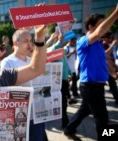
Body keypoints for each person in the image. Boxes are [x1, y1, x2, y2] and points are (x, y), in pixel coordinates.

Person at [64, 4, 118, 140]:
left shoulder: (99, 44)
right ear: (91, 27)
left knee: (84, 110)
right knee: (102, 118)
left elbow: (103, 60)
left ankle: (69, 129)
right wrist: (116, 13)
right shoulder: (83, 41)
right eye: (102, 24)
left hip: (96, 85)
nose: (106, 27)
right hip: (90, 86)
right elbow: (99, 32)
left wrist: (111, 72)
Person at [0, 28, 47, 141]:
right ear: (16, 43)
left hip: (37, 111)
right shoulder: (7, 62)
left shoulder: (31, 59)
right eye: (26, 41)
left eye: (31, 40)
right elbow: (6, 90)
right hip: (22, 116)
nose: (30, 44)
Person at [101, 32, 118, 105]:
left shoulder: (107, 45)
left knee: (112, 84)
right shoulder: (103, 45)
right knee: (112, 85)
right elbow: (105, 55)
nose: (112, 39)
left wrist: (114, 65)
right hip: (105, 68)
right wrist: (113, 45)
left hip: (108, 67)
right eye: (111, 38)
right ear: (106, 38)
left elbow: (109, 57)